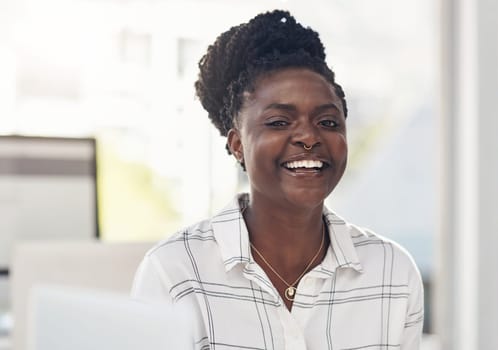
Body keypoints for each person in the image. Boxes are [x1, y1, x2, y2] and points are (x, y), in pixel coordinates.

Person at [132, 9, 424, 350]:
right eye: (279, 122)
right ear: (238, 144)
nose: (308, 137)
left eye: (328, 122)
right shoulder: (174, 273)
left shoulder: (393, 273)